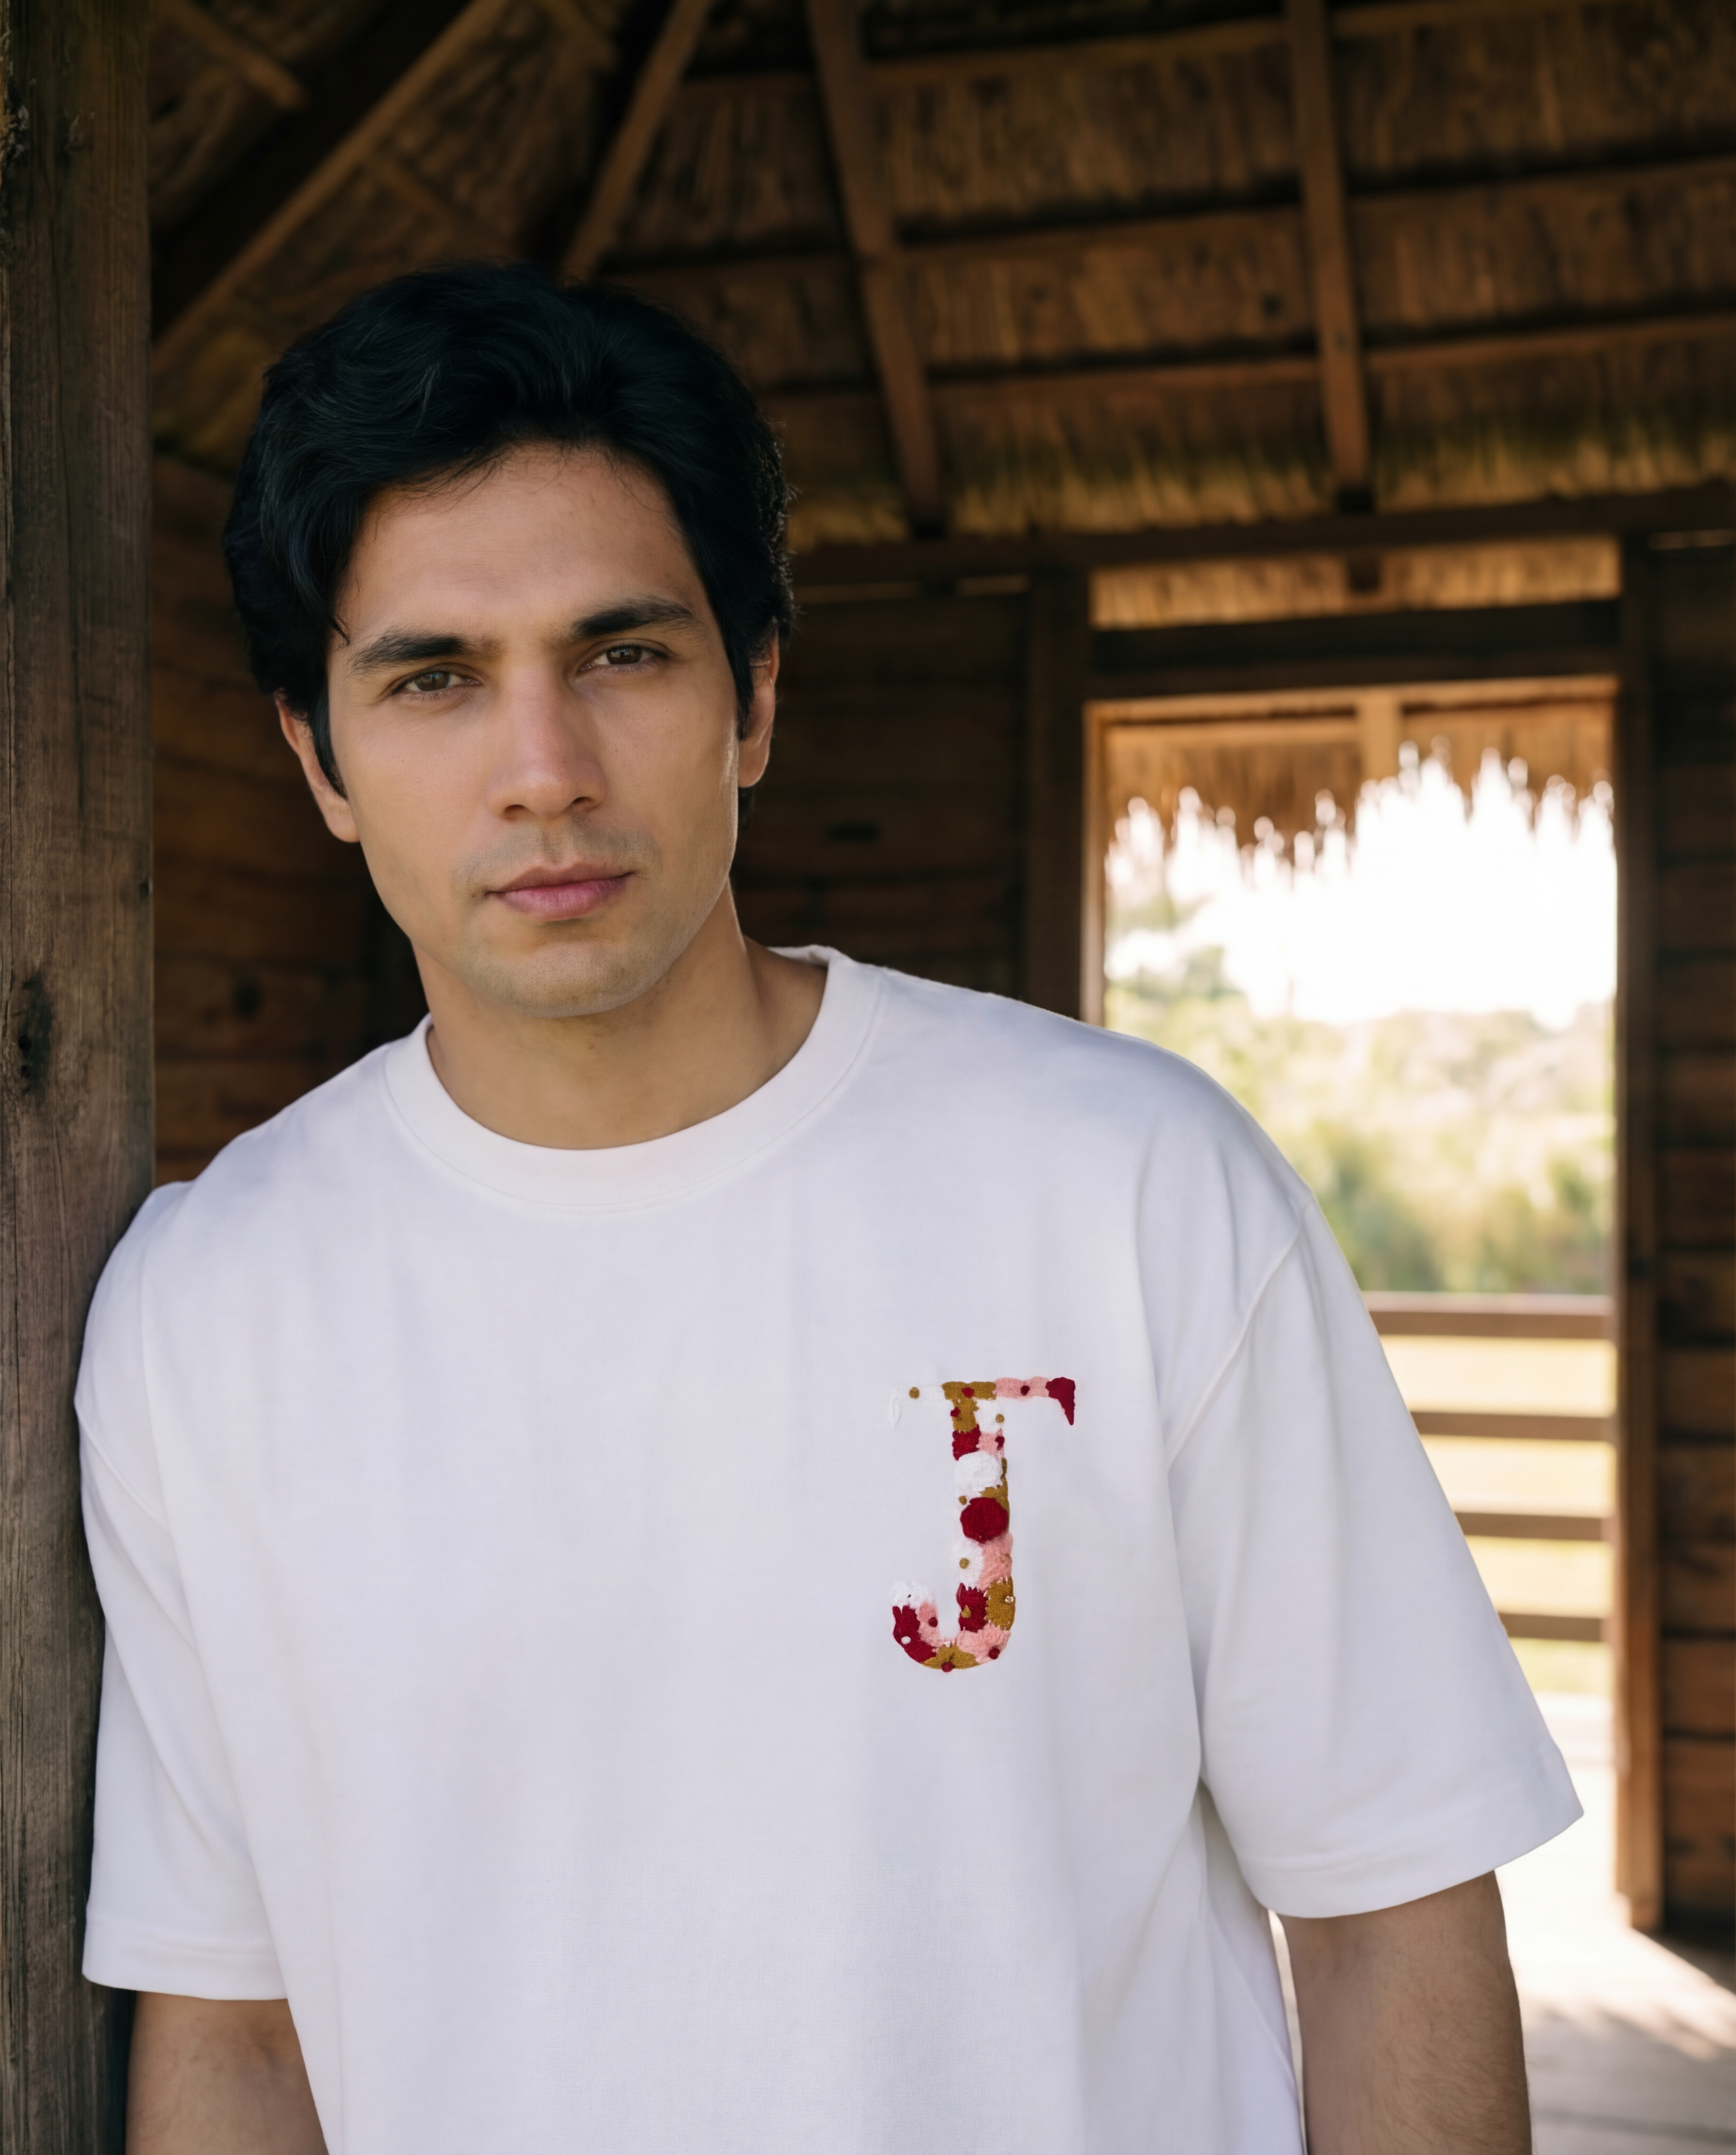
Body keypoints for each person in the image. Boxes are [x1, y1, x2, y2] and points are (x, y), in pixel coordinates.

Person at [80, 261, 1577, 2155]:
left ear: (756, 698)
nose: (542, 772)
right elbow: (236, 2033)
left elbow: (1390, 1916)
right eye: (434, 678)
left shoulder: (1125, 1188)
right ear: (318, 761)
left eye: (622, 655)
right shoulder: (210, 1311)